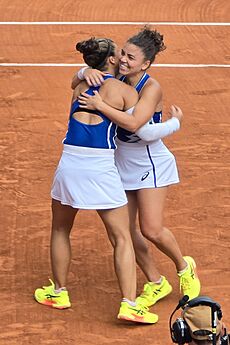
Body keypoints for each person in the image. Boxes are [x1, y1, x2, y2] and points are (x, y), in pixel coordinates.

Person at [34, 36, 160, 324]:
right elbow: (140, 125)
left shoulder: (80, 85)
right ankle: (129, 303)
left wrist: (82, 73)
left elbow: (76, 81)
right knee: (121, 238)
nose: (124, 59)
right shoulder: (124, 92)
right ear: (112, 60)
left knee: (60, 230)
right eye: (120, 55)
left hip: (69, 163)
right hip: (101, 167)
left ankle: (59, 292)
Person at [76, 26, 201, 307]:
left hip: (149, 163)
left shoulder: (151, 88)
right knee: (125, 231)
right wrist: (84, 73)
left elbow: (136, 126)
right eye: (122, 53)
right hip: (120, 163)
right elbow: (77, 80)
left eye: (131, 57)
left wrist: (100, 104)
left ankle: (184, 267)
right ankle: (156, 282)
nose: (123, 60)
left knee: (151, 229)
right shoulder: (117, 77)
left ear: (145, 63)